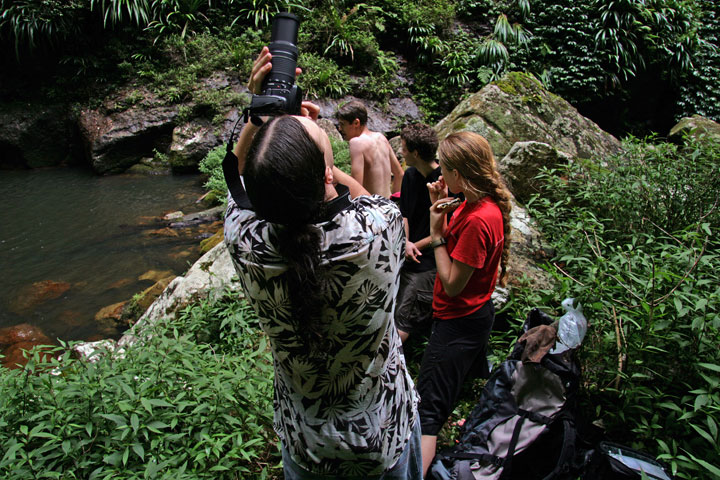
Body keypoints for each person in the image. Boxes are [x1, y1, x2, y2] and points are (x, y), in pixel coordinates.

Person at [223, 46, 421, 479]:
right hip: (381, 433)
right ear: (327, 175)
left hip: (305, 438)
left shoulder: (246, 241)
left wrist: (259, 117)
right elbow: (374, 201)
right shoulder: (377, 232)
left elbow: (237, 181)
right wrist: (326, 160)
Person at [416, 131, 513, 476]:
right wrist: (440, 209)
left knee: (426, 412)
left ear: (460, 173)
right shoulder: (477, 203)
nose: (439, 172)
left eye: (443, 168)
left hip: (459, 320)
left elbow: (454, 284)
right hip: (477, 312)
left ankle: (414, 471)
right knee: (461, 381)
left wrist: (436, 236)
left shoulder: (477, 218)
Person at [394, 123, 441, 344]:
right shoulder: (411, 175)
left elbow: (444, 231)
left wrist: (414, 246)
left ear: (415, 152)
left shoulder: (444, 181)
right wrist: (405, 242)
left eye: (403, 148)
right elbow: (404, 214)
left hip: (429, 261)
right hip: (406, 252)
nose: (400, 152)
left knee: (402, 321)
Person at [336, 100, 404, 198]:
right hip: (388, 207)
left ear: (356, 123)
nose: (340, 129)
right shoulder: (381, 138)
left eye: (343, 124)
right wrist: (392, 201)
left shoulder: (357, 143)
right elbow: (400, 174)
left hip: (372, 208)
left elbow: (356, 186)